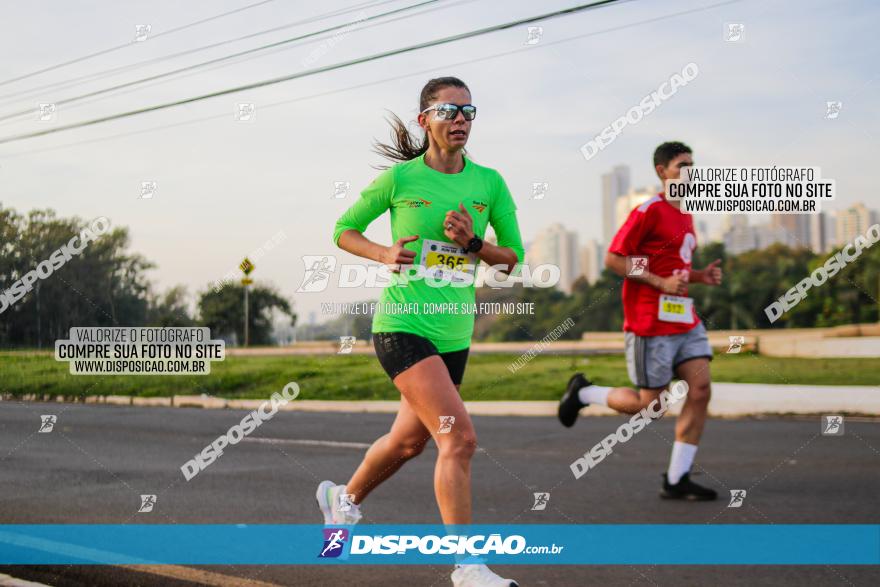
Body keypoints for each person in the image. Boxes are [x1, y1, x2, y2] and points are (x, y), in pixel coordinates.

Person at [318, 76, 524, 586]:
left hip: (454, 336)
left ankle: (340, 501)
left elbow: (512, 258)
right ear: (425, 119)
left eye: (469, 111)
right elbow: (343, 230)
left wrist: (474, 242)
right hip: (403, 326)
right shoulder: (399, 180)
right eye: (450, 111)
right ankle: (468, 568)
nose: (461, 120)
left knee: (408, 443)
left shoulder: (489, 183)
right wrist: (384, 253)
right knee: (460, 440)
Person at [558, 141, 722, 500]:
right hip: (650, 322)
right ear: (663, 172)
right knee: (653, 407)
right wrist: (660, 283)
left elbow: (672, 266)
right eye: (683, 165)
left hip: (684, 319)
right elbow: (615, 259)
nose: (691, 171)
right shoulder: (648, 210)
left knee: (701, 389)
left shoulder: (687, 212)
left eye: (694, 164)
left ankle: (677, 479)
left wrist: (698, 276)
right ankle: (584, 392)